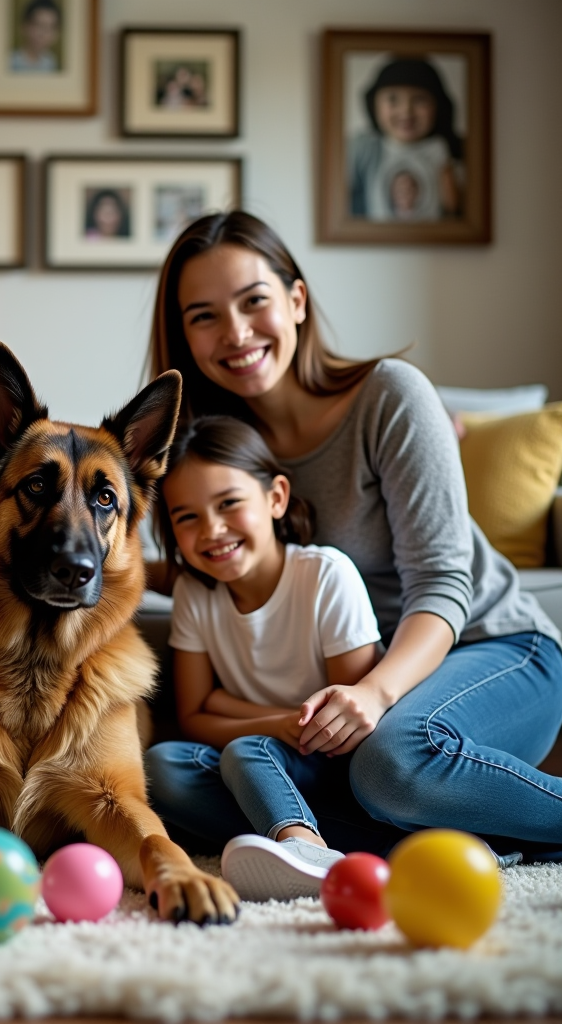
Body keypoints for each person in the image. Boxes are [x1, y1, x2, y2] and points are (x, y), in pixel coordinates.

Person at [144, 210, 562, 864]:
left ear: (297, 301)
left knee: (393, 764)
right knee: (170, 772)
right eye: (203, 316)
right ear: (184, 336)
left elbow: (443, 582)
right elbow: (216, 567)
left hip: (492, 646)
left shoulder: (389, 398)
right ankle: (426, 842)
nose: (235, 332)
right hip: (358, 699)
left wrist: (375, 693)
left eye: (254, 301)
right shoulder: (212, 456)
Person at [157, 415, 383, 901]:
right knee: (162, 766)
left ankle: (302, 848)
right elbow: (192, 717)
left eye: (229, 504)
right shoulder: (197, 595)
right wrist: (277, 721)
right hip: (267, 760)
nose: (212, 530)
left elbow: (349, 731)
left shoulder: (324, 575)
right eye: (187, 517)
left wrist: (236, 711)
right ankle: (333, 841)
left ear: (276, 497)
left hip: (333, 765)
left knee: (246, 749)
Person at [348, 57, 463, 222]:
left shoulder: (445, 150)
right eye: (393, 99)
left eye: (419, 99)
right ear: (374, 104)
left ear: (438, 105)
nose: (406, 111)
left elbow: (454, 209)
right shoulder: (364, 148)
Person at [10, 0, 61, 73]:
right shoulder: (12, 61)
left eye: (49, 28)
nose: (43, 34)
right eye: (38, 25)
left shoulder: (51, 62)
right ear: (24, 26)